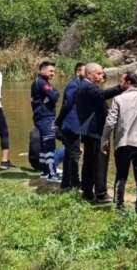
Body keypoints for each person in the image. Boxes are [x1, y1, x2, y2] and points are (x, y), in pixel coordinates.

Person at [55, 63, 124, 203]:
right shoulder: (87, 86)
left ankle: (87, 191)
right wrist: (121, 87)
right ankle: (100, 193)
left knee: (89, 162)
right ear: (88, 74)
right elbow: (102, 94)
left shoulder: (85, 86)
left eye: (102, 73)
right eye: (98, 74)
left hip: (91, 131)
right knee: (99, 162)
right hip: (95, 132)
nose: (101, 76)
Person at [101, 73, 137, 213]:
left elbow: (110, 122)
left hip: (123, 143)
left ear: (128, 83)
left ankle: (120, 206)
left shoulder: (119, 99)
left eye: (121, 81)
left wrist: (104, 139)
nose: (120, 84)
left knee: (121, 175)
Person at [30, 61, 61, 183]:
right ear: (42, 70)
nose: (53, 73)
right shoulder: (41, 82)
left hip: (42, 117)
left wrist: (54, 93)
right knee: (49, 145)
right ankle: (52, 175)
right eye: (51, 71)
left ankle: (44, 171)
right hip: (45, 118)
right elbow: (55, 96)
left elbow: (55, 94)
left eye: (54, 71)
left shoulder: (41, 82)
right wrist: (53, 93)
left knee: (44, 146)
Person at [56, 62, 85, 190]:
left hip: (71, 124)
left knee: (69, 152)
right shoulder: (74, 85)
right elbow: (67, 105)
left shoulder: (78, 84)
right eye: (86, 71)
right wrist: (58, 122)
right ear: (78, 72)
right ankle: (74, 182)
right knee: (74, 154)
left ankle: (66, 181)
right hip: (72, 125)